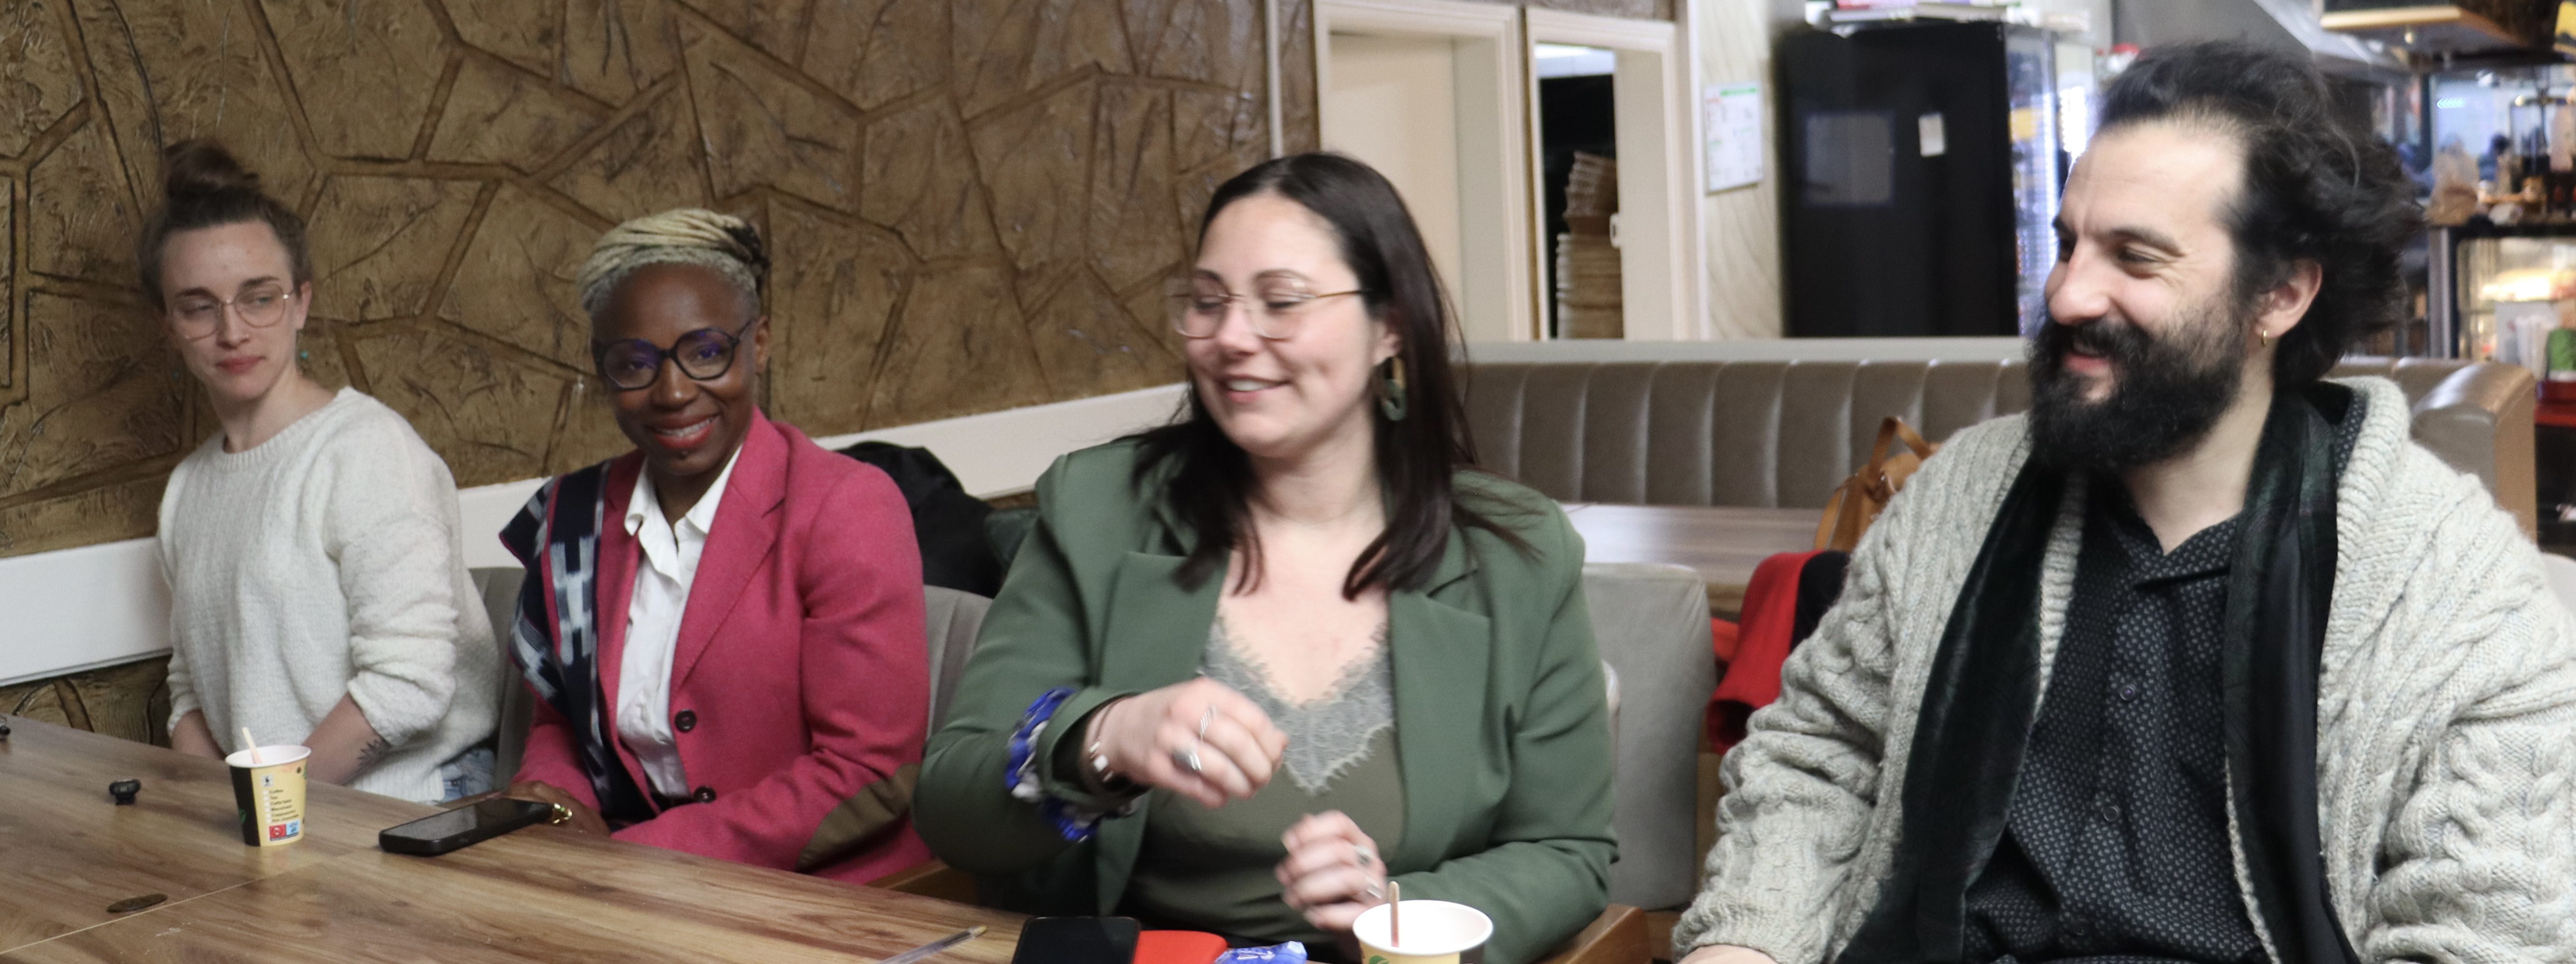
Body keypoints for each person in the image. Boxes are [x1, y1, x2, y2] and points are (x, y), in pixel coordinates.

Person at [1676, 42, 2576, 964]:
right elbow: (1822, 756)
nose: (2068, 295)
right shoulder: (1957, 500)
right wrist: (1746, 943)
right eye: (2068, 244)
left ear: (2280, 294)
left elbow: (2488, 930)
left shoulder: (2457, 596)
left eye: (2134, 259)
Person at [913, 154, 1614, 964]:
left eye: (1281, 302)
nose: (1232, 338)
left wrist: (1392, 915)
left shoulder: (1515, 553)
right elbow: (951, 804)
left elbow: (1567, 851)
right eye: (1208, 302)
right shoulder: (1100, 510)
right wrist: (1101, 738)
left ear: (1390, 324)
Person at [497, 208, 935, 884]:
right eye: (634, 364)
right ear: (602, 370)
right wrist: (553, 811)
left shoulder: (846, 508)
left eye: (706, 352)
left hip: (821, 891)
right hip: (624, 879)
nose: (673, 392)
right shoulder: (572, 517)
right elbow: (560, 725)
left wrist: (633, 857)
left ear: (759, 343)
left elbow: (867, 772)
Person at [145, 140, 499, 804]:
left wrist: (265, 807)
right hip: (277, 816)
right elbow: (191, 691)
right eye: (198, 306)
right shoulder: (187, 491)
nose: (232, 331)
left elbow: (409, 685)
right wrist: (214, 815)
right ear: (168, 326)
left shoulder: (367, 451)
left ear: (301, 303)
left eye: (259, 298)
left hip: (412, 807)